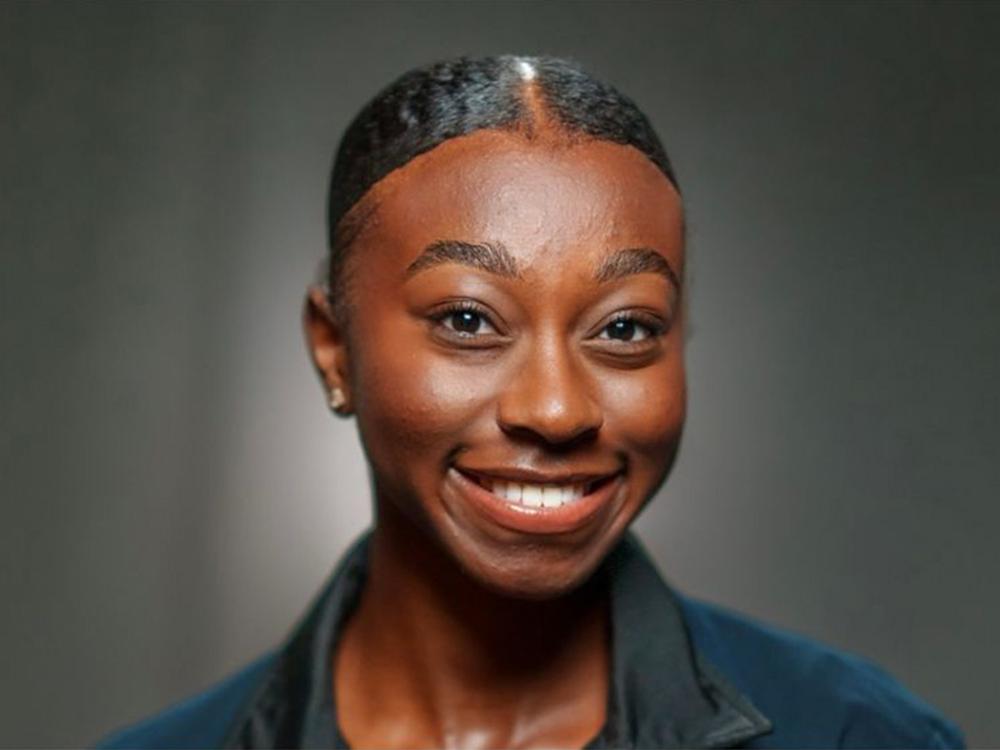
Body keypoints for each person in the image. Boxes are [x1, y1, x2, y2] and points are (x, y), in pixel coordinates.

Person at [96, 55, 964, 749]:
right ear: (336, 349)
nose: (555, 410)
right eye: (469, 319)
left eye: (624, 329)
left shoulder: (861, 735)